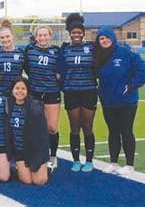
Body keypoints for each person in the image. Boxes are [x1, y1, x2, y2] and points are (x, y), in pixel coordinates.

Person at [93, 26, 145, 175]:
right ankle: (113, 162)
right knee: (113, 131)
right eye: (101, 38)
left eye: (107, 37)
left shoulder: (125, 52)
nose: (104, 40)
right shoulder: (98, 55)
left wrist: (131, 86)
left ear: (113, 38)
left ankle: (129, 165)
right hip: (108, 100)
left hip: (127, 100)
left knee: (126, 130)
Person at [59, 13, 97, 173]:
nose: (76, 35)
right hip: (71, 93)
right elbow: (59, 69)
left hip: (89, 92)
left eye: (79, 32)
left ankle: (89, 161)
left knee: (87, 128)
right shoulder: (64, 49)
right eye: (73, 32)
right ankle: (76, 160)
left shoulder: (92, 48)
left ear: (83, 33)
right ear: (70, 34)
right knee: (75, 128)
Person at [23, 25, 61, 170]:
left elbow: (60, 70)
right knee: (35, 127)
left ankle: (53, 155)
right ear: (36, 37)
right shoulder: (29, 50)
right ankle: (37, 154)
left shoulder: (56, 51)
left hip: (52, 92)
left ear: (50, 36)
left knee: (51, 127)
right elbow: (26, 67)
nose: (43, 38)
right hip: (35, 92)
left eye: (45, 35)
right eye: (40, 35)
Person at [7, 77, 49, 185]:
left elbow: (43, 136)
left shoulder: (35, 107)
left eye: (23, 89)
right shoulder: (9, 104)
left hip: (35, 150)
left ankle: (46, 168)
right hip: (20, 150)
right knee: (27, 180)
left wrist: (40, 156)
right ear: (12, 90)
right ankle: (20, 168)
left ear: (27, 91)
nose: (19, 91)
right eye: (17, 88)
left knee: (39, 181)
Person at [0, 20, 24, 95]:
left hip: (16, 92)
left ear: (12, 36)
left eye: (7, 36)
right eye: (2, 37)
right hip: (0, 91)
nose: (5, 39)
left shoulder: (21, 53)